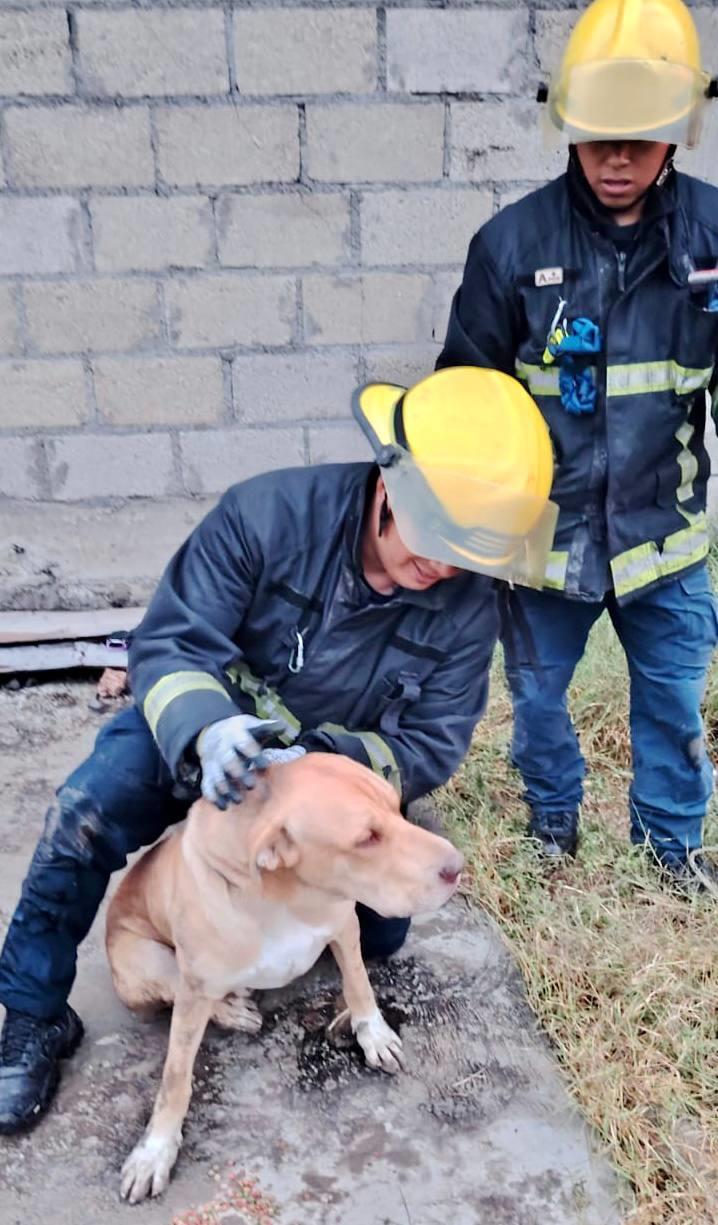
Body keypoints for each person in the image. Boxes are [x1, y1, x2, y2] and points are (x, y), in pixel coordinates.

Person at [0, 365, 555, 1134]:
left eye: (471, 549)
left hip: (327, 782)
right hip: (215, 740)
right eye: (440, 536)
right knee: (87, 809)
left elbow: (431, 740)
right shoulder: (271, 516)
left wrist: (322, 765)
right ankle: (30, 1015)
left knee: (384, 931)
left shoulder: (466, 603)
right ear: (392, 487)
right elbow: (170, 637)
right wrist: (204, 727)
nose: (448, 567)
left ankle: (270, 931)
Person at [438, 0, 718, 879]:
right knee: (538, 699)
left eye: (641, 137)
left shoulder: (713, 240)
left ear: (680, 129)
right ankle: (552, 826)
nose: (620, 158)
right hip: (544, 548)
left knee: (673, 704)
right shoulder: (512, 246)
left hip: (664, 542)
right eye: (602, 137)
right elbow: (467, 399)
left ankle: (670, 852)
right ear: (569, 125)